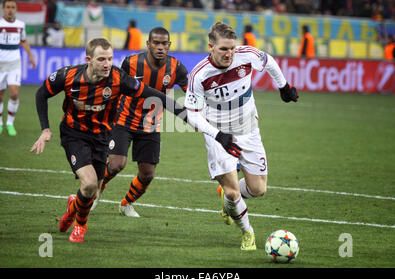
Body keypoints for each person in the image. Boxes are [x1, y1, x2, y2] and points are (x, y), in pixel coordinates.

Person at [30, 37, 187, 243]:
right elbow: (41, 94)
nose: (107, 64)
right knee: (89, 184)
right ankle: (80, 225)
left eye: (110, 59)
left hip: (102, 136)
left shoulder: (118, 78)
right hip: (74, 134)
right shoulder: (68, 76)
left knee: (91, 192)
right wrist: (45, 130)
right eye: (101, 59)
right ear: (89, 59)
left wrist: (185, 114)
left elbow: (151, 93)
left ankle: (73, 206)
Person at [184, 22, 298, 251]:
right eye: (223, 49)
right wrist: (218, 135)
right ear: (211, 47)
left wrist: (283, 86)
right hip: (218, 134)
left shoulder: (246, 55)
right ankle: (248, 232)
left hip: (248, 130)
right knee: (233, 190)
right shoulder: (199, 74)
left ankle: (228, 204)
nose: (229, 54)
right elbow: (192, 116)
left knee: (258, 190)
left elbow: (270, 62)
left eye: (232, 48)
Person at [91, 27, 189, 216]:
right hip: (124, 120)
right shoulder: (131, 62)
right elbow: (115, 86)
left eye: (164, 43)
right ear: (148, 44)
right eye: (156, 43)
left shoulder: (176, 67)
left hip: (151, 126)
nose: (160, 47)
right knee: (116, 164)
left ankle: (126, 203)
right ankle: (96, 191)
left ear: (169, 45)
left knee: (147, 174)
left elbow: (191, 92)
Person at [0, 0, 36, 136]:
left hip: (14, 63)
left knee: (14, 93)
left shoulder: (20, 25)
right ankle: (0, 123)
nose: (10, 10)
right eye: (8, 7)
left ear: (16, 9)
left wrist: (31, 56)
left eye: (13, 7)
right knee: (0, 95)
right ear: (3, 8)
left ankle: (10, 123)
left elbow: (24, 41)